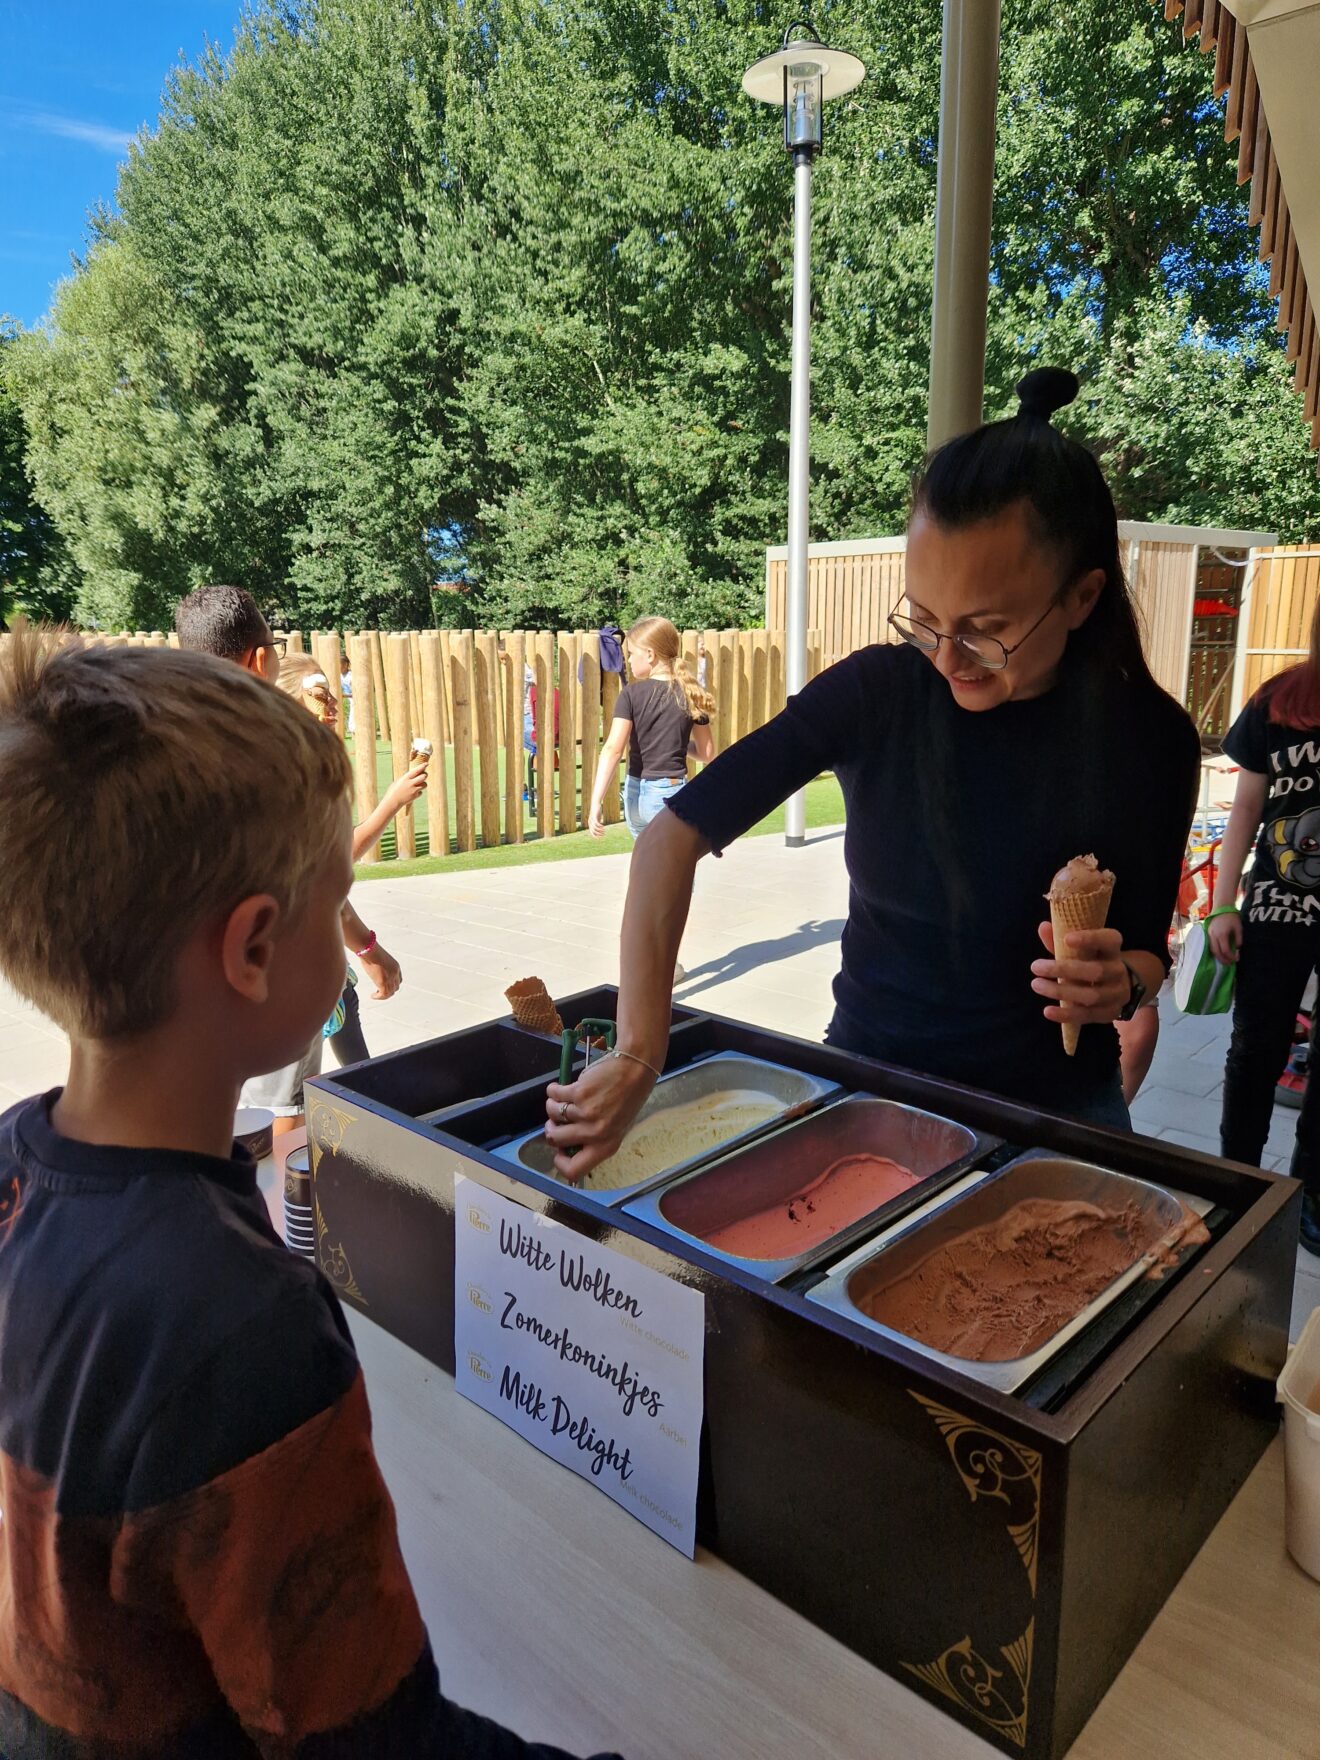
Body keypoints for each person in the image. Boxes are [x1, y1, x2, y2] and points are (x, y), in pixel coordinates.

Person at [0, 632, 621, 1758]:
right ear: (253, 947)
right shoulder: (245, 1325)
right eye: (338, 898)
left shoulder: (13, 1165)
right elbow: (371, 1739)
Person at [545, 369, 1200, 1176]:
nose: (946, 659)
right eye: (924, 618)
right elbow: (669, 840)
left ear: (1082, 596)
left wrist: (1119, 985)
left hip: (1054, 1109)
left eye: (985, 629)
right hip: (867, 1089)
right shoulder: (875, 692)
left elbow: (1147, 953)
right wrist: (640, 1051)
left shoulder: (1151, 740)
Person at [175, 585, 401, 1141]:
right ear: (259, 659)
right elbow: (321, 879)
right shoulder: (278, 758)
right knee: (287, 1123)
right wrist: (368, 949)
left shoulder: (174, 744)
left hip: (196, 983)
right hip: (275, 975)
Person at [1209, 607, 1320, 1253]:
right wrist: (1221, 905)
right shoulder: (1277, 702)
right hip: (1277, 907)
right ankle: (1238, 1183)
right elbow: (1246, 807)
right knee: (1256, 1050)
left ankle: (1310, 1191)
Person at [278, 653, 428, 1068]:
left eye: (332, 695)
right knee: (289, 1093)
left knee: (345, 1017)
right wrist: (391, 803)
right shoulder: (288, 776)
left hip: (313, 950)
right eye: (318, 694)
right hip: (291, 963)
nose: (332, 705)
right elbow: (328, 867)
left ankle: (361, 1089)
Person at [587, 616, 716, 842]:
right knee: (673, 861)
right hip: (668, 792)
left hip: (634, 793)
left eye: (630, 653)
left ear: (649, 654)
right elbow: (706, 753)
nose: (628, 659)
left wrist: (596, 801)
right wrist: (677, 744)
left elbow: (612, 750)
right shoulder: (692, 694)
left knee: (644, 859)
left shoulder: (630, 694)